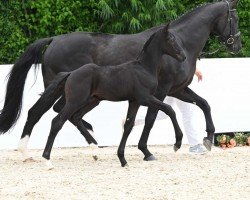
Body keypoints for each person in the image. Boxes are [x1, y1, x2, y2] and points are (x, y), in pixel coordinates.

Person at [135, 68, 207, 154]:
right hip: (176, 83)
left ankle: (133, 121)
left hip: (172, 82)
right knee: (188, 112)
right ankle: (195, 145)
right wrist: (195, 69)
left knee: (162, 113)